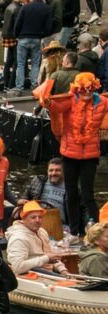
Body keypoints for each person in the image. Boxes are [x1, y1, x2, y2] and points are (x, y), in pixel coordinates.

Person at [40, 71, 108, 235]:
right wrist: (47, 100)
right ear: (77, 89)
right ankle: (75, 232)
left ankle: (98, 232)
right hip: (69, 154)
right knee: (71, 194)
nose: (86, 93)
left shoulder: (103, 103)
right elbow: (54, 106)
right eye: (83, 89)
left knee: (87, 195)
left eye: (90, 89)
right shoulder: (70, 101)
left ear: (94, 89)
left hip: (90, 156)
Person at [6, 201, 70, 274]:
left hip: (47, 274)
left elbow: (50, 256)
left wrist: (63, 270)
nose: (37, 220)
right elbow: (17, 268)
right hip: (30, 277)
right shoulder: (18, 238)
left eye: (40, 217)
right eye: (33, 217)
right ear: (24, 218)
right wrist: (46, 259)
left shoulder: (42, 232)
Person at [12, 0, 54, 92]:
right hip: (36, 39)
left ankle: (19, 88)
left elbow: (17, 24)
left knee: (21, 64)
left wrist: (16, 35)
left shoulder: (25, 7)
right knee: (35, 64)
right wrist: (40, 35)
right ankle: (34, 86)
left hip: (23, 38)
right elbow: (48, 28)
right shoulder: (47, 9)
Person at [22, 157, 67, 228]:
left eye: (57, 170)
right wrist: (20, 203)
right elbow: (25, 197)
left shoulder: (71, 188)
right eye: (51, 170)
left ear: (64, 171)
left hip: (60, 226)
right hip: (36, 221)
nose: (53, 173)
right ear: (47, 171)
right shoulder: (38, 181)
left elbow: (83, 209)